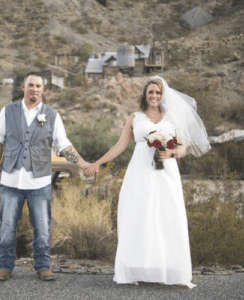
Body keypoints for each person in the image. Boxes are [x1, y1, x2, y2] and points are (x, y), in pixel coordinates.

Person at [84, 76, 211, 288]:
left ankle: (169, 269)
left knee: (166, 215)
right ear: (145, 94)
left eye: (158, 93)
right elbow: (120, 145)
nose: (154, 96)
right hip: (140, 171)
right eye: (151, 92)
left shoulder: (171, 118)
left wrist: (171, 153)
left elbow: (184, 147)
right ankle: (137, 267)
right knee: (138, 214)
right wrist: (98, 162)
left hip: (165, 173)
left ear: (163, 96)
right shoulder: (135, 117)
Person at [0, 71, 88, 281]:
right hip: (10, 180)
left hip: (39, 182)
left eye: (38, 86)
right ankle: (5, 266)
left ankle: (43, 265)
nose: (34, 89)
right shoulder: (7, 111)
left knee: (43, 228)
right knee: (7, 226)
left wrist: (82, 163)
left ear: (43, 90)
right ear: (23, 88)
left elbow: (63, 145)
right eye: (30, 85)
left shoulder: (52, 115)